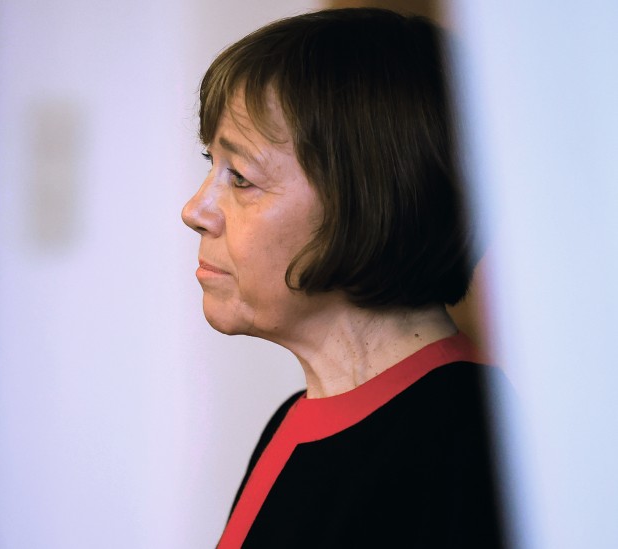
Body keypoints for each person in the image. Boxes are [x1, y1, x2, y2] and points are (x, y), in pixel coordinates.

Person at [181, 8, 506, 548]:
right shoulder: (292, 423)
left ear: (368, 202)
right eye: (210, 163)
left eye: (240, 176)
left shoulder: (472, 449)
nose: (195, 209)